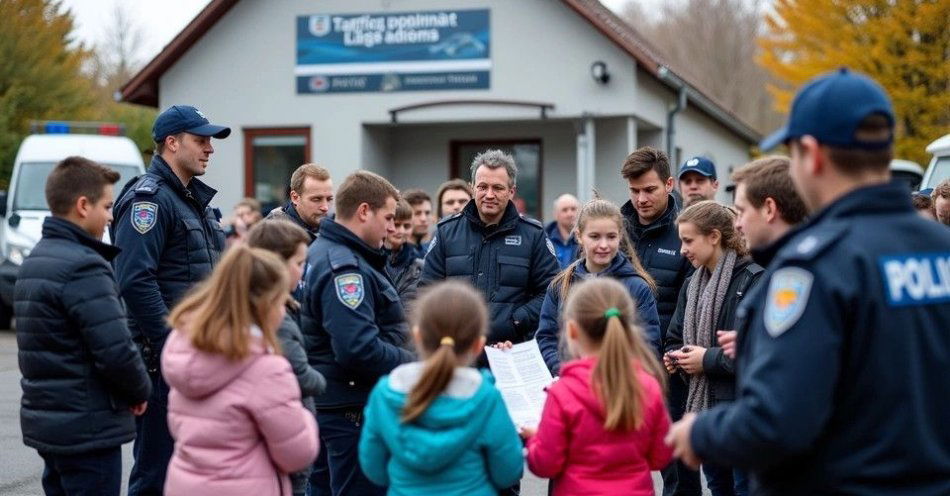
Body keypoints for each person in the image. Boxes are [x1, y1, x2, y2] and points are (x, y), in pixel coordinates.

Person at [666, 68, 950, 494]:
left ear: (813, 155)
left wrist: (701, 432)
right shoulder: (940, 248)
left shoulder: (816, 267)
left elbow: (780, 420)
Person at [111, 104, 230, 496]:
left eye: (210, 140)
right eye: (201, 140)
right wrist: (172, 345)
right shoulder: (149, 201)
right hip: (165, 363)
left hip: (196, 356)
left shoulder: (191, 199)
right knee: (157, 474)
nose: (210, 148)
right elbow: (135, 280)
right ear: (172, 143)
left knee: (190, 474)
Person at [16, 157, 151, 496]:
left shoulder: (36, 260)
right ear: (82, 206)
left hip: (50, 426)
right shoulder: (85, 266)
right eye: (106, 206)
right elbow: (116, 350)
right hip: (88, 427)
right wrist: (139, 391)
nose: (111, 216)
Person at [162, 245, 319, 496]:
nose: (283, 312)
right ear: (265, 305)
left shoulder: (187, 350)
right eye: (280, 302)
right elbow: (297, 454)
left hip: (187, 483)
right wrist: (305, 417)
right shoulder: (266, 370)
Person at [302, 170, 415, 496]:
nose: (392, 228)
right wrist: (416, 364)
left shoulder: (330, 252)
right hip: (348, 412)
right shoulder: (345, 268)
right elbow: (358, 348)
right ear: (364, 211)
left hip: (335, 405)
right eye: (388, 218)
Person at [358, 281, 524, 495]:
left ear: (417, 336)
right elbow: (508, 472)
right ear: (478, 345)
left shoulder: (386, 394)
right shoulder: (485, 397)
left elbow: (374, 469)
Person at [521, 278, 672, 495]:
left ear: (572, 330)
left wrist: (535, 439)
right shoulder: (647, 386)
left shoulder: (563, 392)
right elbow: (660, 457)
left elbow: (546, 464)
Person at [663, 201, 763, 496]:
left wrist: (706, 359)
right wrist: (677, 356)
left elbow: (758, 351)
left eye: (688, 240)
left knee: (744, 487)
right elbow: (675, 337)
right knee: (719, 487)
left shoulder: (755, 279)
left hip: (740, 410)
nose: (683, 250)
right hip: (706, 410)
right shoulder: (692, 284)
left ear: (714, 237)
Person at [421, 149, 560, 348]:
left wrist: (518, 321)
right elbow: (427, 290)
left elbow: (552, 291)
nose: (489, 195)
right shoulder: (446, 232)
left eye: (498, 188)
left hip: (512, 350)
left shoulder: (533, 235)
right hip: (456, 350)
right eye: (482, 187)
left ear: (511, 191)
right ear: (472, 188)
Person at [619, 146, 698, 496]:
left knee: (675, 464)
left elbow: (689, 305)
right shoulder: (616, 231)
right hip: (617, 362)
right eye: (634, 191)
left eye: (649, 190)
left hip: (667, 367)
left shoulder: (685, 233)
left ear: (669, 184)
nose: (641, 199)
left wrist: (669, 353)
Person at [247, 219, 327, 496]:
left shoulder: (279, 307)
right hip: (281, 444)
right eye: (299, 263)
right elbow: (297, 374)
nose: (303, 272)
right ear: (276, 265)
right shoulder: (275, 318)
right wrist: (322, 378)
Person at [536, 198, 661, 375]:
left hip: (618, 384)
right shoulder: (561, 285)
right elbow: (546, 337)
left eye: (611, 237)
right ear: (579, 236)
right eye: (594, 237)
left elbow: (649, 344)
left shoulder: (637, 287)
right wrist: (566, 371)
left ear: (620, 235)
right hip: (572, 382)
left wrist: (608, 375)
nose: (603, 245)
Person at [719, 156, 807, 359]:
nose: (737, 224)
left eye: (741, 211)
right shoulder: (782, 264)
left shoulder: (795, 273)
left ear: (769, 209)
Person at [266, 163, 334, 242]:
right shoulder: (274, 235)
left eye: (329, 199)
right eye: (316, 199)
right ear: (295, 198)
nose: (325, 207)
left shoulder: (333, 229)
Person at [385, 199, 424, 308]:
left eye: (406, 226)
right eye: (396, 225)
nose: (401, 231)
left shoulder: (419, 264)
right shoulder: (371, 259)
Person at [545, 194, 580, 269]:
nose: (570, 214)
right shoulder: (545, 237)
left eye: (573, 209)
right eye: (565, 210)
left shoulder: (585, 238)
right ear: (555, 215)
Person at [403, 188, 434, 257]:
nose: (423, 219)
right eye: (417, 213)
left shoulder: (432, 252)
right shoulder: (395, 255)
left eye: (427, 213)